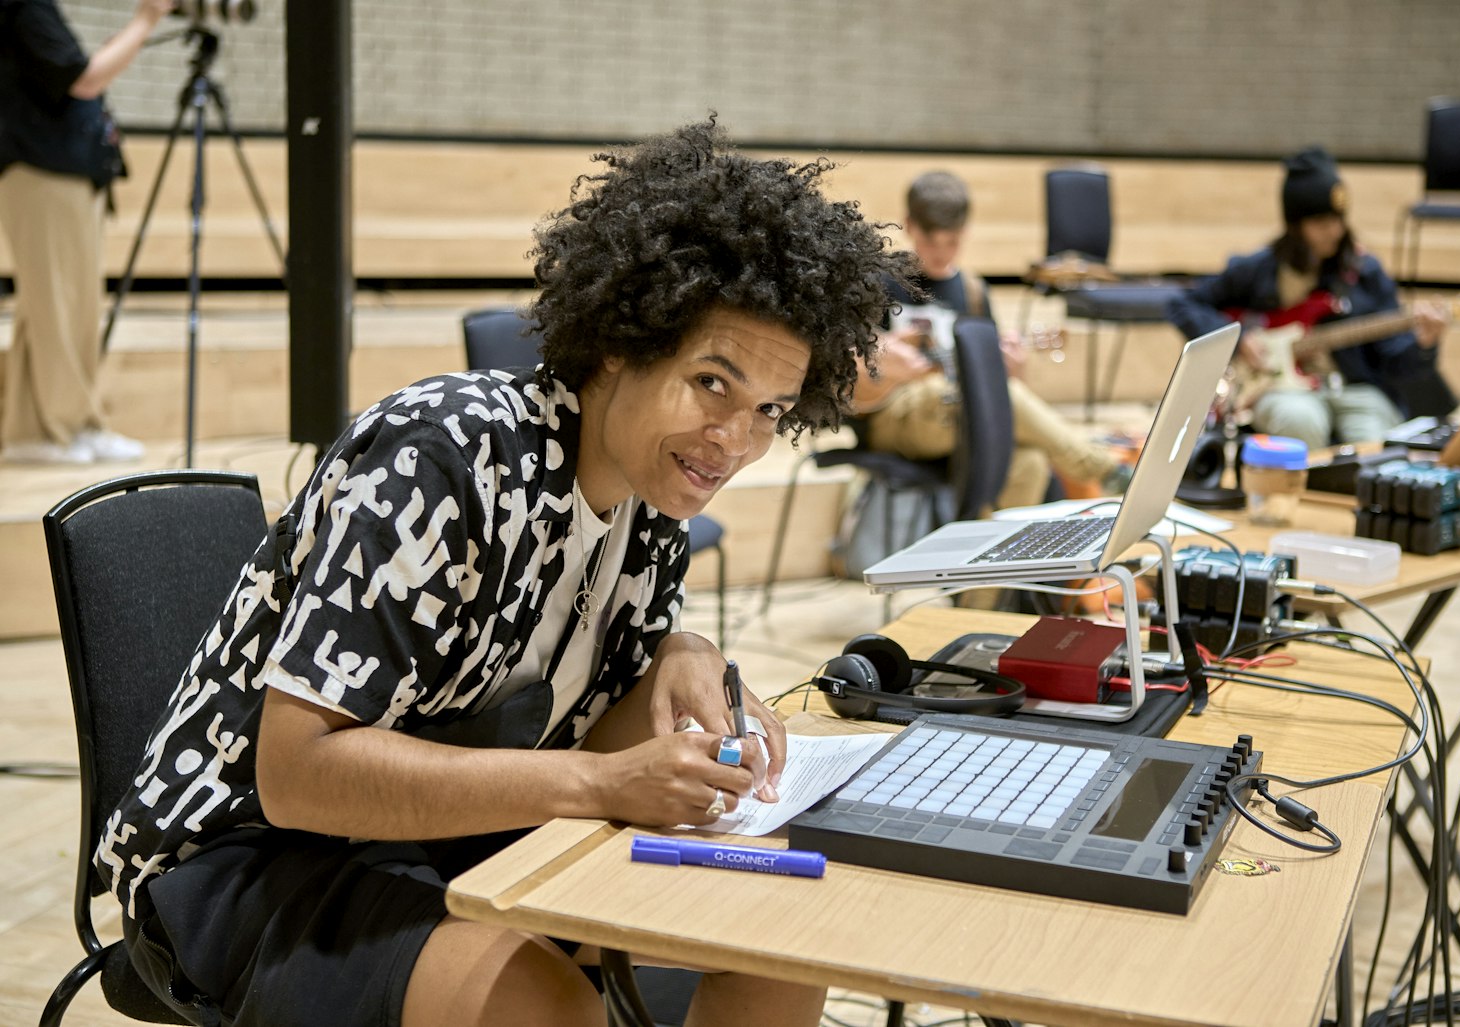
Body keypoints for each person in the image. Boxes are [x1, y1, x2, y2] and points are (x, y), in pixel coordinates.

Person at [96, 119, 907, 1027]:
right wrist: (599, 786)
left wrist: (684, 650)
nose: (735, 440)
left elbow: (600, 717)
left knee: (781, 927)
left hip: (447, 828)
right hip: (252, 857)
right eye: (711, 383)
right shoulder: (441, 454)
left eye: (768, 410)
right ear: (618, 342)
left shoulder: (651, 492)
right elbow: (299, 772)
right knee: (544, 1005)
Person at [853, 170, 1126, 509]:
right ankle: (1101, 467)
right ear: (909, 225)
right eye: (931, 241)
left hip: (958, 418)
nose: (941, 253)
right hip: (893, 417)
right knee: (955, 393)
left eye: (951, 242)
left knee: (1028, 463)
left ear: (965, 232)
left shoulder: (973, 293)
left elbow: (997, 389)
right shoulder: (879, 281)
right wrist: (883, 356)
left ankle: (991, 559)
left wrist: (1012, 367)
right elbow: (846, 366)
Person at [1167, 146, 1447, 450]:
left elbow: (1396, 361)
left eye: (1339, 220)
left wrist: (1424, 343)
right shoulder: (1259, 269)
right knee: (1301, 424)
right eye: (1321, 223)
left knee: (1373, 442)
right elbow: (1183, 304)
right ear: (1295, 226)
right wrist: (1241, 338)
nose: (1335, 232)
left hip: (1355, 390)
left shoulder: (1365, 273)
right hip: (1283, 391)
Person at [0, 0, 166, 464]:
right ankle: (62, 429)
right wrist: (146, 20)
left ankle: (36, 431)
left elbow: (77, 72)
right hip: (43, 170)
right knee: (59, 303)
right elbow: (85, 79)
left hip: (57, 170)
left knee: (57, 306)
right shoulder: (24, 7)